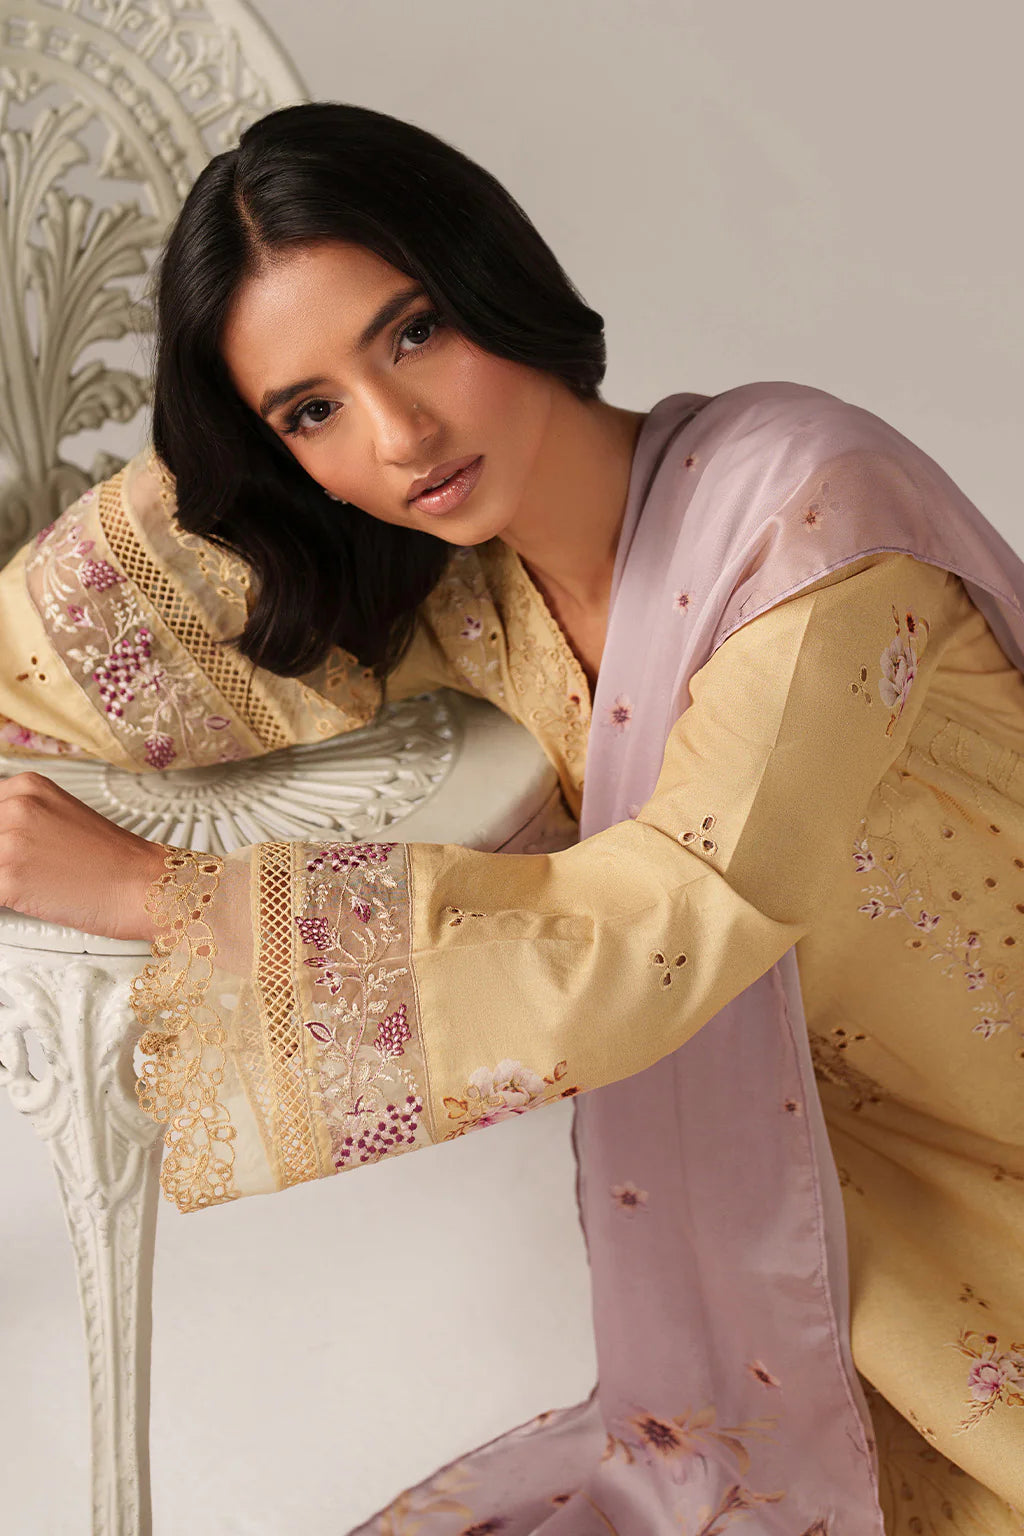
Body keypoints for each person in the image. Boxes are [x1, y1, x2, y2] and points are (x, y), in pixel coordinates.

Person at [0, 101, 1021, 1534]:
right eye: (311, 410)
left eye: (414, 332)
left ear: (499, 278)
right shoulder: (470, 588)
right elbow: (67, 647)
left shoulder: (812, 529)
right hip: (853, 1240)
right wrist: (247, 459)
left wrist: (152, 896)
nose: (400, 433)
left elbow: (653, 931)